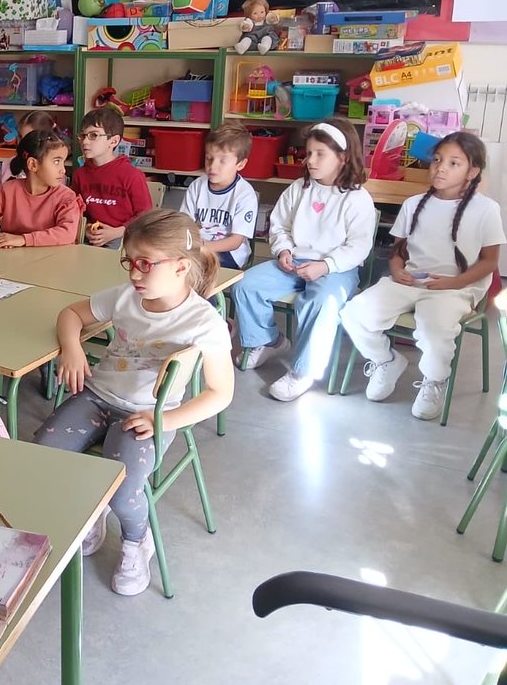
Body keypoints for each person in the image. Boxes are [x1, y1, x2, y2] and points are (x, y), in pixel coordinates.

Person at [33, 210, 233, 596]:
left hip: (149, 415)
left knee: (124, 489)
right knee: (46, 455)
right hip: (98, 395)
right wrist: (72, 348)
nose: (134, 274)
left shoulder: (203, 321)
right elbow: (71, 313)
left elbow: (220, 393)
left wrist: (168, 421)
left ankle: (136, 542)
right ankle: (92, 514)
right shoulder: (126, 297)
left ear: (180, 266)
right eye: (129, 262)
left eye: (146, 264)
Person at [340, 132, 505, 420]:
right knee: (354, 313)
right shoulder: (414, 203)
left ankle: (434, 380)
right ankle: (385, 360)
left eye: (454, 163)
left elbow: (490, 262)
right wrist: (396, 270)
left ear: (473, 171)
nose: (440, 168)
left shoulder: (486, 209)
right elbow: (398, 251)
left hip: (456, 288)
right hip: (411, 281)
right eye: (438, 160)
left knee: (434, 328)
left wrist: (453, 283)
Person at [232, 120, 376, 402]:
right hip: (295, 262)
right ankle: (269, 341)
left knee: (320, 303)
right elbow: (279, 225)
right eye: (308, 153)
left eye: (320, 153)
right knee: (246, 285)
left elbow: (359, 246)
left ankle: (303, 371)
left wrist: (326, 266)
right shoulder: (300, 188)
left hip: (336, 269)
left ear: (343, 158)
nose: (310, 160)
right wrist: (284, 251)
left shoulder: (357, 198)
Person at [0, 129, 81, 247]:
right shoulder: (6, 191)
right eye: (56, 162)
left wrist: (23, 239)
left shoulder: (66, 197)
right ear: (33, 164)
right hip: (11, 260)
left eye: (63, 161)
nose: (63, 170)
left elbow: (68, 233)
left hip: (51, 261)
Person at [179, 120, 259, 269]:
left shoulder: (245, 194)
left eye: (223, 161)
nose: (212, 166)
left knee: (196, 270)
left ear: (240, 164)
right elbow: (184, 225)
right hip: (196, 248)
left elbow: (235, 241)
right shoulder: (197, 186)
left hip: (229, 253)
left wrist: (203, 246)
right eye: (209, 158)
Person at [72, 107, 152, 249]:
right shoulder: (80, 174)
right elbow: (74, 209)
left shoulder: (131, 175)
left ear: (113, 141)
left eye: (94, 135)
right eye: (83, 135)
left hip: (124, 237)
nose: (85, 142)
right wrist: (85, 228)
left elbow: (145, 215)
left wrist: (118, 232)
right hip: (90, 238)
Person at [0, 111, 56, 185]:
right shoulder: (8, 164)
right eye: (21, 137)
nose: (23, 143)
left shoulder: (55, 170)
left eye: (30, 138)